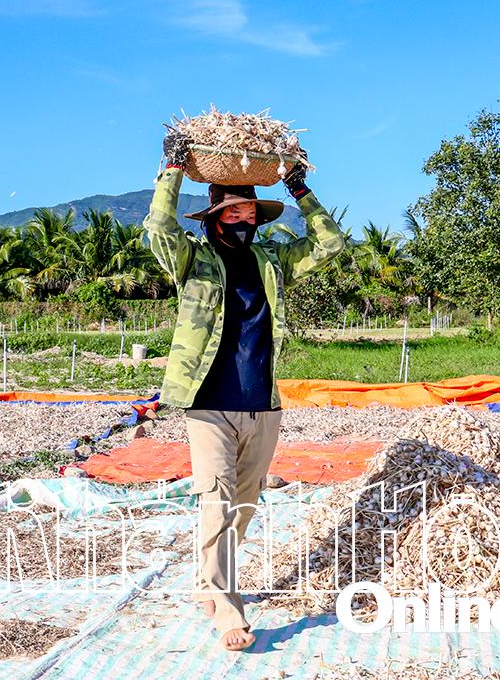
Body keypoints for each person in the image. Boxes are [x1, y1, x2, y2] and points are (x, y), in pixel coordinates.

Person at [144, 131, 346, 651]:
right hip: (208, 403)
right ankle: (227, 611)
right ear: (213, 219)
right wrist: (171, 171)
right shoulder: (191, 260)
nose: (244, 222)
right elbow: (158, 226)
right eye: (233, 214)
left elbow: (331, 244)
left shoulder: (271, 265)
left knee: (244, 506)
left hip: (262, 403)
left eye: (250, 215)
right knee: (217, 503)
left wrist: (302, 192)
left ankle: (206, 583)